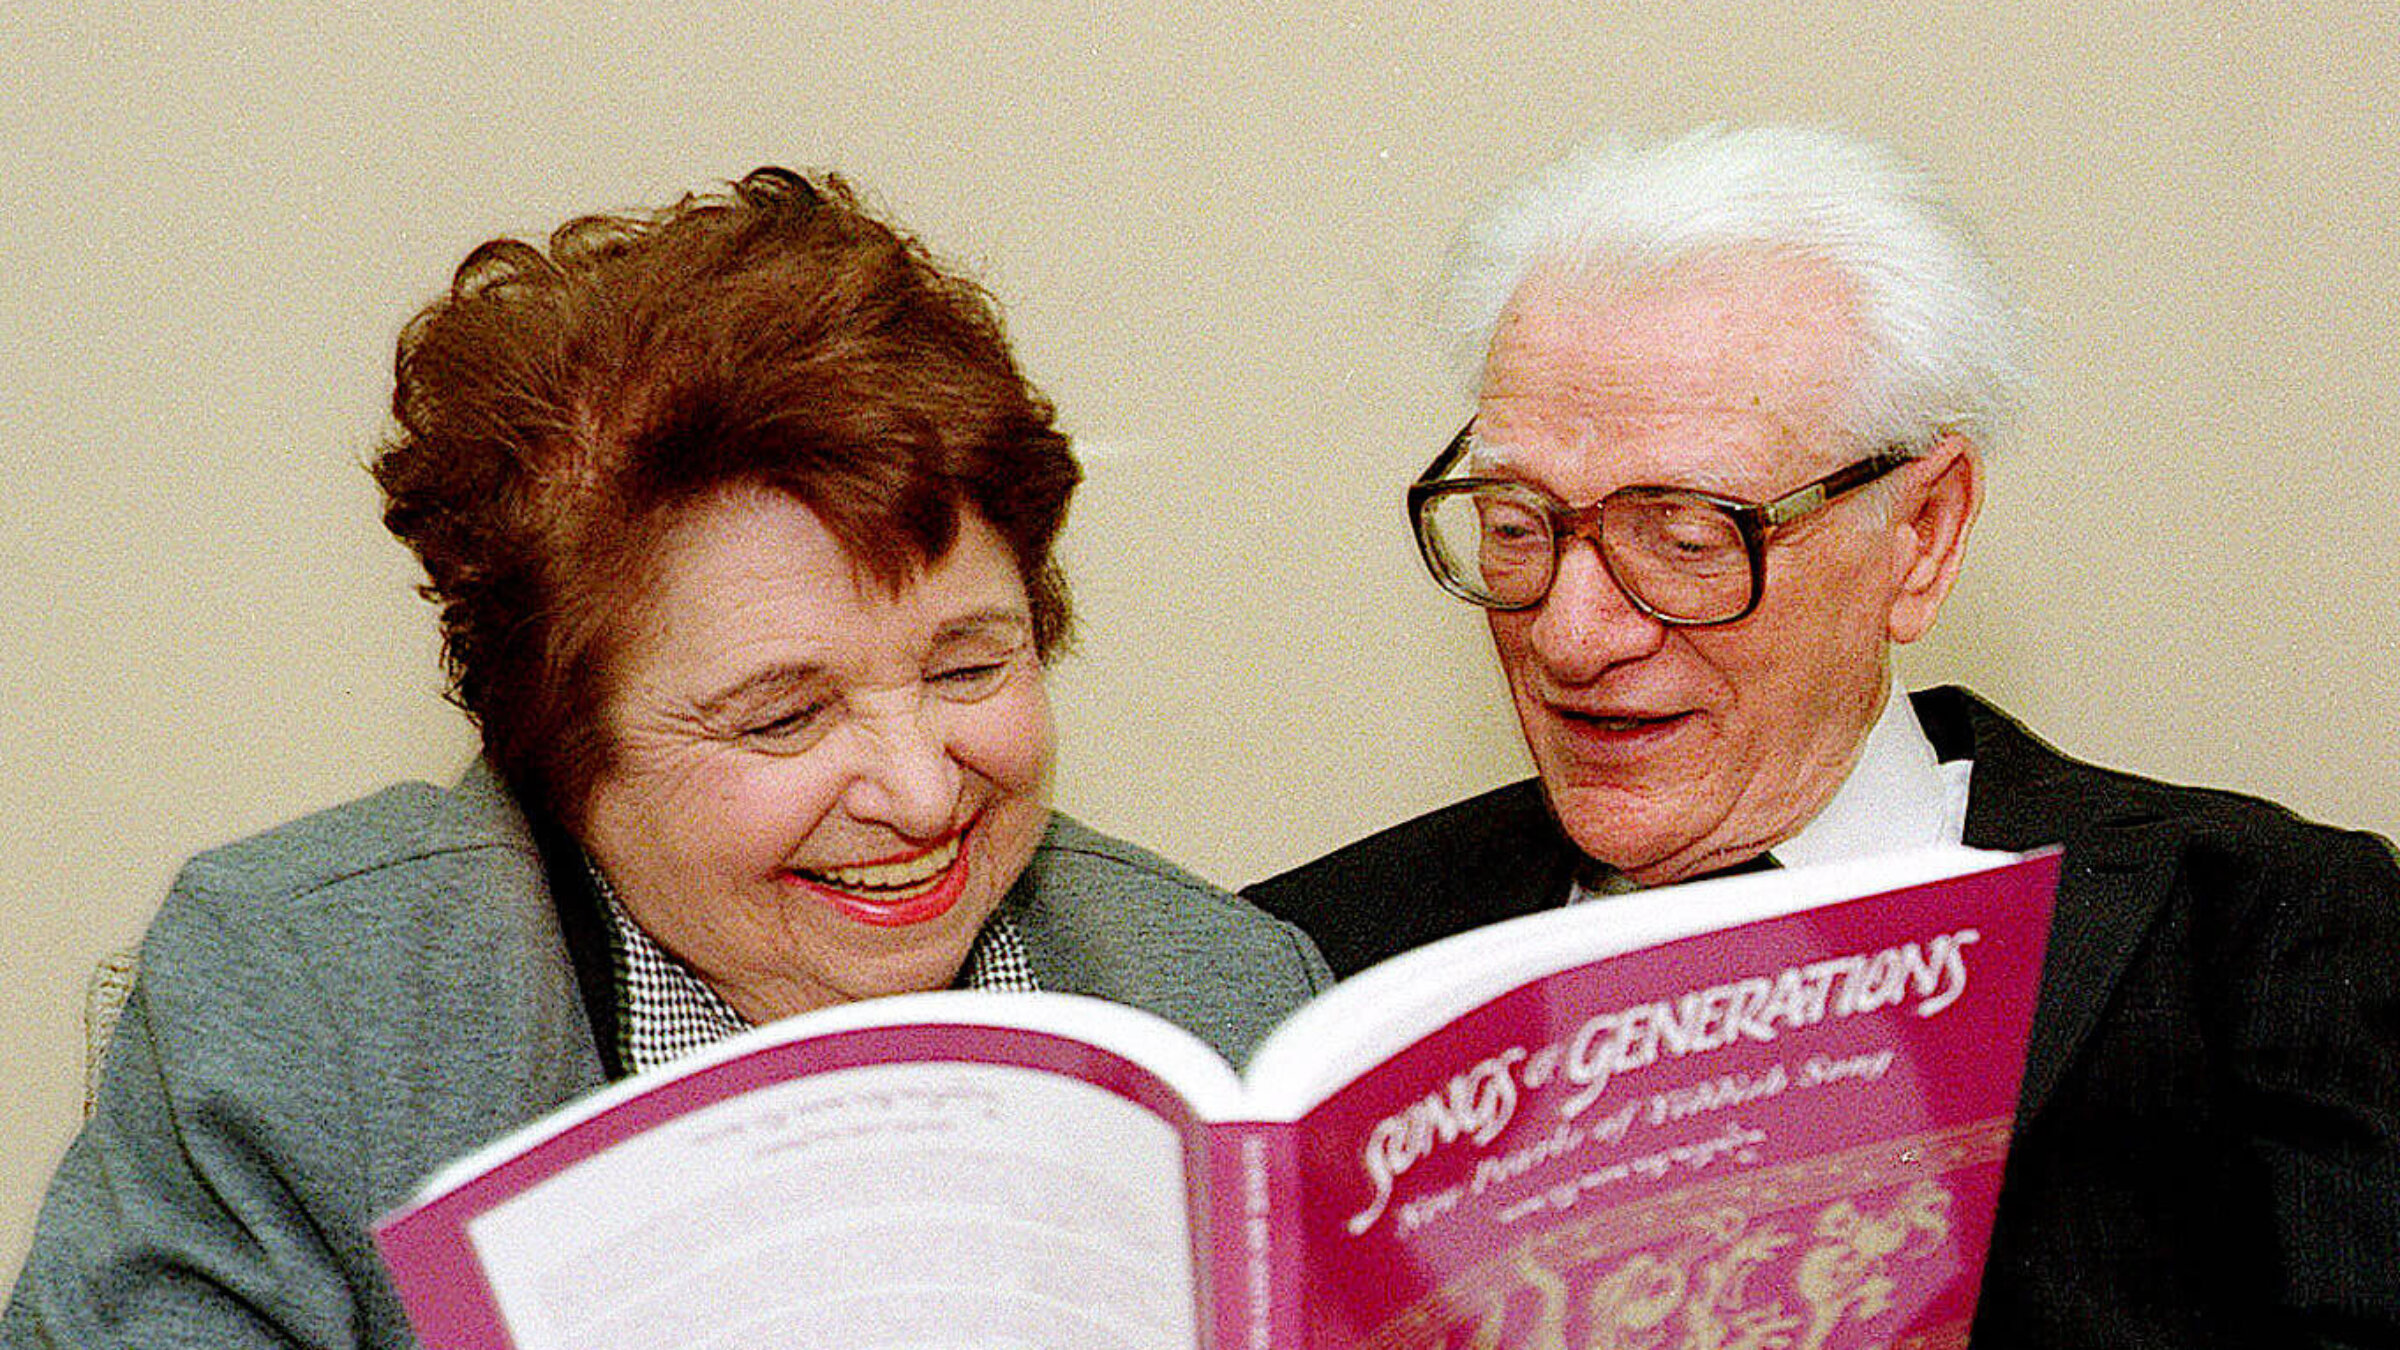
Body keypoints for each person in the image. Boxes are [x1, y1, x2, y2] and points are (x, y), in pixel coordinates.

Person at [5, 168, 1330, 1349]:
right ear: (559, 755)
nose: (924, 791)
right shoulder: (325, 1004)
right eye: (784, 716)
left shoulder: (1219, 996)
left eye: (970, 666)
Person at [1246, 125, 2400, 1348]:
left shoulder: (2259, 934)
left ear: (1922, 536)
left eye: (1685, 538)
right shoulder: (1309, 963)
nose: (1572, 636)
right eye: (1517, 524)